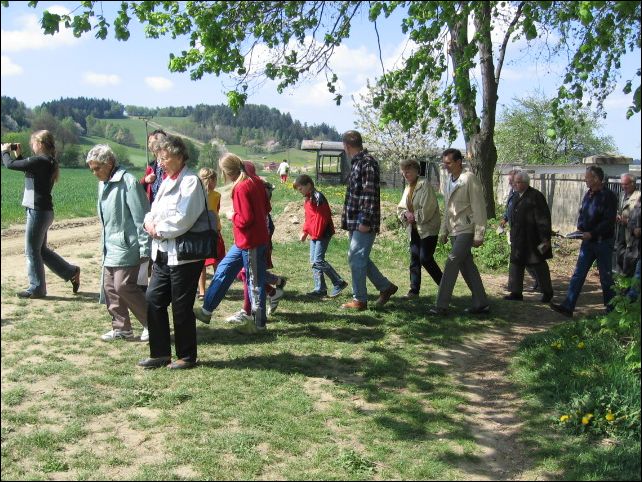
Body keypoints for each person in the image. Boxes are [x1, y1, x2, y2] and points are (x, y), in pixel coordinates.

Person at [139, 135, 208, 369]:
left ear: (179, 157)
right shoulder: (167, 181)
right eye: (159, 158)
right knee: (153, 300)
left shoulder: (190, 182)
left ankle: (187, 356)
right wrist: (150, 223)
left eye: (164, 158)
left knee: (181, 307)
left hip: (185, 257)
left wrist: (158, 229)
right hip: (162, 254)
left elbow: (183, 219)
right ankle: (159, 353)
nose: (161, 163)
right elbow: (153, 210)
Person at [194, 153, 271, 334]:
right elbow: (267, 208)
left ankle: (258, 324)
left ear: (226, 172)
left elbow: (245, 219)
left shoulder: (242, 187)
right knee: (224, 269)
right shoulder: (256, 182)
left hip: (251, 241)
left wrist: (231, 215)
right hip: (246, 241)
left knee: (254, 282)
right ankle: (206, 310)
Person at [2, 131, 80, 299]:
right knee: (41, 251)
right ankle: (70, 271)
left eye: (34, 143)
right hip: (43, 211)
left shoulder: (40, 160)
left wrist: (4, 152)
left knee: (31, 250)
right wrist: (19, 155)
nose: (32, 145)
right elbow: (26, 168)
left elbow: (10, 165)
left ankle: (37, 288)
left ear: (41, 144)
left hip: (37, 211)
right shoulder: (47, 161)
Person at [86, 145, 151, 341]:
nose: (95, 173)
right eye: (92, 169)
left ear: (110, 163)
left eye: (97, 168)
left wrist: (145, 248)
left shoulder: (128, 182)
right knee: (109, 287)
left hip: (127, 245)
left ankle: (152, 323)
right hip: (110, 246)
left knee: (123, 285)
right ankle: (122, 328)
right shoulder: (103, 183)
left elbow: (142, 217)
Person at [340, 130, 398, 311]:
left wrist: (364, 220)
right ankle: (385, 287)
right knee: (357, 257)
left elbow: (369, 193)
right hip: (355, 220)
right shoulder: (359, 162)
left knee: (356, 258)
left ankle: (360, 300)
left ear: (347, 146)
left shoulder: (367, 163)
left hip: (363, 221)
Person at [551, 165, 618, 318]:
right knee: (578, 274)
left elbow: (608, 221)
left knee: (605, 278)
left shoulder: (609, 196)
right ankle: (568, 306)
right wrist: (580, 228)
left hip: (602, 242)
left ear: (596, 179)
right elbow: (583, 212)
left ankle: (612, 312)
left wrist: (592, 233)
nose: (585, 180)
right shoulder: (588, 194)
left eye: (587, 177)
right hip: (587, 243)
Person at [429, 148, 489, 316]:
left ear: (458, 162)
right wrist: (443, 231)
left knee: (452, 261)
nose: (445, 166)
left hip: (467, 228)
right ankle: (481, 303)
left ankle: (441, 305)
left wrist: (479, 234)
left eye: (448, 163)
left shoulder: (469, 178)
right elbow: (448, 208)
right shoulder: (448, 180)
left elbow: (479, 207)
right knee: (467, 266)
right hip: (454, 229)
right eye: (444, 162)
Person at [294, 174, 349, 297]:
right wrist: (305, 232)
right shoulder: (308, 198)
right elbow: (309, 218)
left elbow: (322, 218)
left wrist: (317, 234)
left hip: (323, 233)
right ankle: (320, 289)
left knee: (318, 260)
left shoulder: (318, 197)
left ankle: (339, 282)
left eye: (300, 189)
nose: (300, 192)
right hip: (315, 234)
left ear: (308, 185)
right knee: (313, 261)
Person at [503, 171, 554, 303]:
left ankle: (547, 291)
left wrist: (545, 238)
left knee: (538, 264)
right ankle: (516, 292)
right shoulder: (515, 196)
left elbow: (543, 218)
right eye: (514, 182)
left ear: (525, 183)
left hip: (532, 238)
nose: (514, 184)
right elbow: (511, 214)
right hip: (518, 238)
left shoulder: (535, 196)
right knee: (516, 264)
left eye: (517, 182)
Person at [396, 159, 442, 298]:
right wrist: (405, 214)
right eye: (404, 171)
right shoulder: (408, 187)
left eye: (408, 170)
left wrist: (414, 216)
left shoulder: (424, 184)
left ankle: (444, 285)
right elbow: (400, 208)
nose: (406, 173)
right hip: (414, 229)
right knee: (414, 259)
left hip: (428, 228)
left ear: (417, 171)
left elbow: (428, 208)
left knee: (425, 258)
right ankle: (414, 290)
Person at [499, 168, 539, 292]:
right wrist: (505, 219)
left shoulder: (527, 194)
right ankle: (514, 287)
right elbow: (510, 209)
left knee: (527, 261)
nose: (511, 183)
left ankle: (540, 282)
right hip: (515, 231)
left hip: (526, 234)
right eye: (510, 181)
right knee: (518, 260)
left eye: (512, 181)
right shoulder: (513, 192)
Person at [197, 168, 226, 300]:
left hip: (199, 233)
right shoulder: (217, 195)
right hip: (214, 231)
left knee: (200, 265)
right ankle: (217, 289)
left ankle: (202, 292)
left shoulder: (195, 195)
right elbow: (217, 211)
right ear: (212, 180)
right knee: (217, 262)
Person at [615, 173, 640, 274]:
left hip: (632, 234)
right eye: (622, 184)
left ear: (633, 183)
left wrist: (627, 221)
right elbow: (618, 209)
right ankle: (621, 283)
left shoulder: (639, 196)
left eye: (626, 184)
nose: (623, 186)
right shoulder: (622, 194)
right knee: (619, 256)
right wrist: (617, 215)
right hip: (621, 231)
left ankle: (628, 286)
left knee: (629, 261)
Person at [140, 129, 168, 204]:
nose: (150, 145)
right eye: (149, 142)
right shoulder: (151, 167)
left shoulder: (170, 166)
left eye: (153, 142)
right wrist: (145, 180)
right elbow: (140, 188)